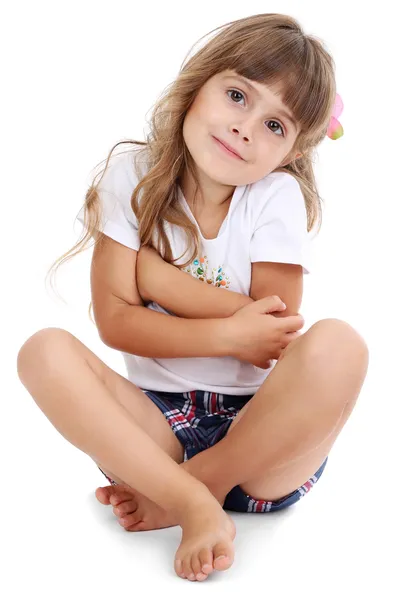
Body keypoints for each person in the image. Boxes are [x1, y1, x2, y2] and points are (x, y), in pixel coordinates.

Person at [16, 13, 369, 583]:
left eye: (276, 126)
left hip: (259, 442)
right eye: (237, 95)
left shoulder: (275, 197)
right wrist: (228, 331)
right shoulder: (132, 174)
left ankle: (190, 492)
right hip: (154, 432)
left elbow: (274, 332)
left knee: (341, 346)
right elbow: (115, 323)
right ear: (198, 84)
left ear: (293, 152)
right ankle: (193, 500)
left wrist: (152, 280)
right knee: (42, 352)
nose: (246, 128)